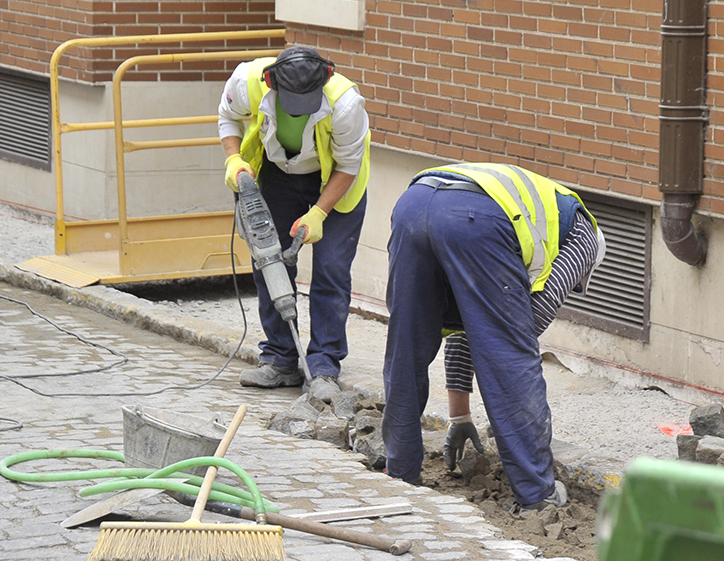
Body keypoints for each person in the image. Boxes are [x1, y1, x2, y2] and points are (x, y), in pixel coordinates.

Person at [382, 162, 605, 511]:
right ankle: (537, 494)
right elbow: (516, 334)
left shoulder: (537, 205)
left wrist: (460, 417)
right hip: (476, 218)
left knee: (405, 348)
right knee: (511, 357)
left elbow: (469, 324)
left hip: (414, 203)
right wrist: (500, 345)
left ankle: (400, 473)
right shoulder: (584, 240)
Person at [218, 45, 371, 402]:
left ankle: (324, 366)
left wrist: (319, 212)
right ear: (273, 84)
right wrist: (234, 159)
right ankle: (281, 359)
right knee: (269, 261)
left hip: (335, 181)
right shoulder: (248, 81)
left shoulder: (346, 104)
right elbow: (227, 117)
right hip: (279, 173)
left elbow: (349, 164)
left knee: (331, 269)